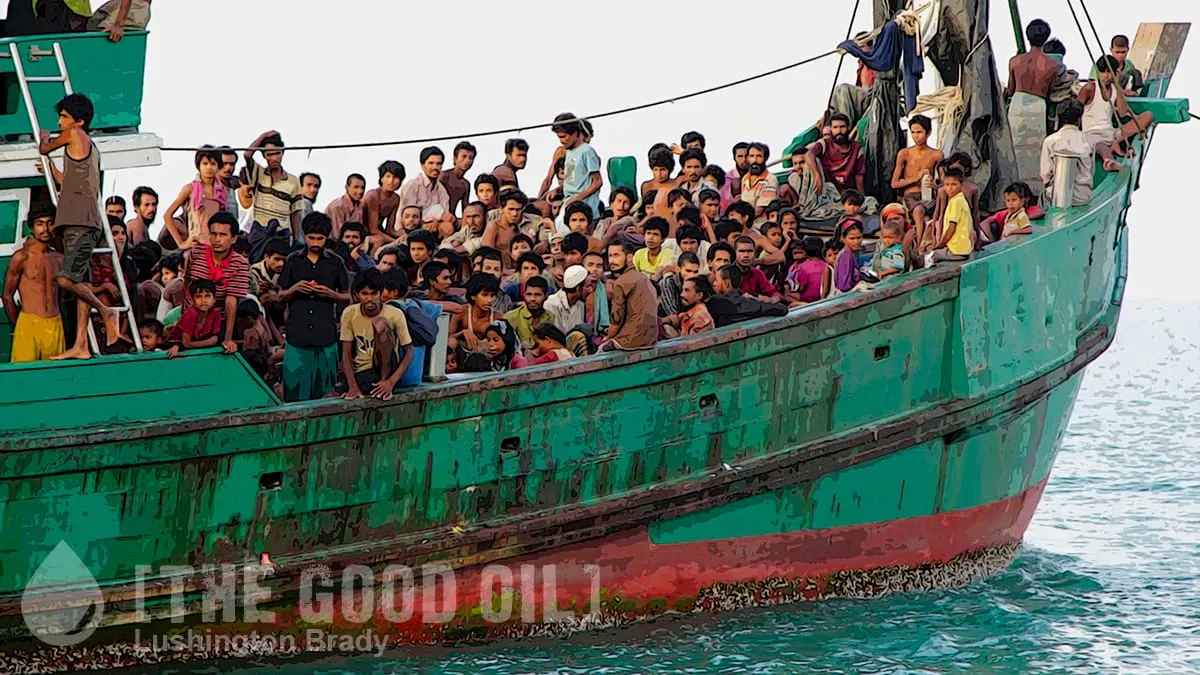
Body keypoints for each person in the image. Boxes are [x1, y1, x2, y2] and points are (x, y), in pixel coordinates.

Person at [37, 93, 121, 357]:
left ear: (79, 121)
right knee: (80, 280)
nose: (60, 122)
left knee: (65, 280)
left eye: (64, 117)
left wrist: (42, 136)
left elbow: (43, 147)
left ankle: (107, 312)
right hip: (80, 217)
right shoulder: (88, 145)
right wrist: (51, 171)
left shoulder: (74, 135)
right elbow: (72, 182)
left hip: (80, 220)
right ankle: (81, 345)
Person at [278, 213, 350, 402]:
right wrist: (295, 289)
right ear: (304, 236)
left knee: (325, 393)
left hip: (325, 336)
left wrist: (330, 294)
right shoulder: (293, 260)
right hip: (297, 336)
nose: (315, 242)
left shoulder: (336, 262)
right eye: (311, 238)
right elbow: (280, 295)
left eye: (320, 238)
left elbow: (347, 296)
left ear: (327, 237)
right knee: (295, 392)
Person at [1005, 19, 1063, 197]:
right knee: (1035, 151)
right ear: (1045, 38)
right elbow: (1051, 90)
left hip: (1017, 104)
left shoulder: (1015, 61)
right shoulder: (1053, 65)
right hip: (1038, 106)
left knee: (1015, 148)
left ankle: (1013, 190)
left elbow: (1010, 89)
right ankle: (1033, 193)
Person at [340, 269, 414, 401]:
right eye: (364, 294)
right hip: (362, 372)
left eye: (374, 294)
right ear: (357, 295)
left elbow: (409, 352)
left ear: (380, 293)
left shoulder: (395, 314)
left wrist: (390, 382)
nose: (369, 299)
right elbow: (347, 353)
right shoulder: (349, 313)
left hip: (386, 369)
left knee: (381, 324)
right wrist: (352, 386)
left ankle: (382, 381)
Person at [3, 204, 64, 362]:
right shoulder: (21, 257)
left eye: (50, 223)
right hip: (28, 323)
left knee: (54, 378)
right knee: (23, 378)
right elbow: (7, 295)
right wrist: (17, 325)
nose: (45, 229)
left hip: (54, 323)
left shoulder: (59, 259)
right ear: (32, 227)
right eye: (40, 224)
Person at [1080, 55, 1155, 160]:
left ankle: (1115, 143)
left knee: (1148, 116)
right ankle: (1108, 160)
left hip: (1111, 134)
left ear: (1115, 73)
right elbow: (1077, 110)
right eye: (1102, 72)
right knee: (1100, 146)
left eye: (1109, 72)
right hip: (1091, 135)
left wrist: (1117, 85)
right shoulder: (1090, 88)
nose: (1106, 76)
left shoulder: (1114, 89)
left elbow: (1122, 112)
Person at [242, 130, 304, 240]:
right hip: (260, 232)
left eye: (277, 153)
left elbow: (295, 212)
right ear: (264, 156)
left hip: (281, 233)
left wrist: (296, 239)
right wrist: (263, 136)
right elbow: (247, 154)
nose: (274, 158)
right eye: (270, 154)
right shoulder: (258, 173)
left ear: (282, 153)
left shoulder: (293, 181)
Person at [891, 115, 942, 249]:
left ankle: (926, 247)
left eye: (919, 132)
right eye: (913, 132)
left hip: (928, 197)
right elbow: (894, 183)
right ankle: (920, 248)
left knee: (923, 216)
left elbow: (944, 183)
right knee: (919, 212)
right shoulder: (904, 154)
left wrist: (935, 186)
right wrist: (915, 178)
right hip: (910, 198)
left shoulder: (936, 155)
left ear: (928, 132)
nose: (916, 136)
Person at [163, 147, 228, 248]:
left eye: (213, 164)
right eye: (205, 164)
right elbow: (167, 215)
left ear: (218, 167)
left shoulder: (221, 191)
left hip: (216, 247)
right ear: (199, 166)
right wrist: (181, 243)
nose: (209, 168)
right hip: (197, 246)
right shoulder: (190, 189)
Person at [602, 240, 658, 351]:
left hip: (630, 341)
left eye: (616, 255)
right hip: (651, 340)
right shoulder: (643, 277)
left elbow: (616, 320)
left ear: (629, 257)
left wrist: (608, 338)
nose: (612, 260)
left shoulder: (621, 282)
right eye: (610, 256)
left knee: (600, 350)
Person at [1041, 100, 1098, 206]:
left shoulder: (1049, 141)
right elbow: (1091, 170)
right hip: (1083, 198)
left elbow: (1045, 174)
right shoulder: (1089, 140)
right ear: (1079, 120)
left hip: (1056, 198)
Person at [553, 113, 603, 222]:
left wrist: (577, 199)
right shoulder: (568, 152)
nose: (561, 141)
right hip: (569, 203)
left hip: (584, 209)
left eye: (563, 137)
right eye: (559, 137)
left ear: (575, 133)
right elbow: (573, 180)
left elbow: (597, 182)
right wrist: (556, 191)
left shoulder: (587, 151)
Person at [400, 146, 457, 238]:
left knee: (448, 226)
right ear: (423, 165)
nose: (435, 167)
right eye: (431, 163)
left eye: (438, 164)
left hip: (434, 225)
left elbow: (445, 214)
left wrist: (438, 219)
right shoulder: (412, 185)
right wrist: (437, 217)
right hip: (409, 228)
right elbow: (410, 216)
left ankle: (444, 249)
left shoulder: (441, 189)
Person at [449, 272, 501, 367]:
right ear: (473, 296)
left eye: (492, 295)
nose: (489, 300)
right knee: (452, 342)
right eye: (485, 295)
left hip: (488, 364)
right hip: (462, 360)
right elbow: (447, 338)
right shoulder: (462, 312)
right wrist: (462, 333)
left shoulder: (498, 318)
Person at [926, 168, 973, 266]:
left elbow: (952, 228)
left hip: (955, 250)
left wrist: (940, 245)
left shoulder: (956, 202)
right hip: (964, 249)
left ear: (961, 185)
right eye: (947, 185)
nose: (950, 188)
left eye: (954, 184)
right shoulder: (960, 199)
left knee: (929, 256)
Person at [166, 279, 222, 359]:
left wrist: (209, 342)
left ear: (214, 299)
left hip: (194, 349)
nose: (203, 300)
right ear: (192, 300)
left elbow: (215, 339)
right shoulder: (191, 314)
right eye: (198, 296)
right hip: (175, 346)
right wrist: (209, 342)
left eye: (207, 296)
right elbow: (186, 343)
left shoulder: (215, 313)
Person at [364, 161, 405, 251]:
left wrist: (405, 234)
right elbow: (373, 229)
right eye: (388, 176)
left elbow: (390, 229)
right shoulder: (373, 196)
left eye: (396, 177)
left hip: (379, 231)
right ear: (381, 178)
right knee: (381, 240)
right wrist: (395, 241)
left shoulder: (395, 198)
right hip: (364, 233)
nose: (391, 181)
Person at [503, 275, 550, 350]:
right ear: (524, 295)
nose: (532, 299)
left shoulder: (551, 317)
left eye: (537, 295)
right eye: (529, 294)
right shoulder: (510, 317)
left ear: (546, 296)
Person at [543, 264, 589, 335]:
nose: (590, 290)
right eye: (587, 286)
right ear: (578, 288)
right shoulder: (551, 304)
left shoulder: (581, 305)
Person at [785, 236, 831, 305]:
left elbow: (801, 288)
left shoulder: (803, 266)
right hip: (822, 297)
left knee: (785, 295)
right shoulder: (827, 265)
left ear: (805, 250)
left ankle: (802, 304)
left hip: (808, 297)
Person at [733, 236, 780, 304]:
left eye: (750, 251)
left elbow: (775, 294)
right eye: (742, 251)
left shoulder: (757, 273)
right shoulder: (727, 273)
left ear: (755, 254)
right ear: (734, 253)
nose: (746, 255)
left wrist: (770, 300)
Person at [739, 142, 779, 222]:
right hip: (747, 222)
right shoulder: (745, 178)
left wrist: (741, 221)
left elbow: (759, 210)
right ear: (747, 158)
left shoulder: (770, 179)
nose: (755, 160)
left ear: (765, 158)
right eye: (752, 156)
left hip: (762, 224)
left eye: (759, 156)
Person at [440, 141, 476, 217]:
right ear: (455, 158)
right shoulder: (444, 176)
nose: (467, 161)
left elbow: (465, 210)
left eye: (471, 158)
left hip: (452, 219)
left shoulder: (466, 185)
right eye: (464, 156)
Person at [86, 0, 152, 42]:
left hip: (134, 6)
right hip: (115, 4)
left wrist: (118, 25)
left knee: (105, 37)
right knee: (87, 30)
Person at [325, 173, 367, 238]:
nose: (360, 191)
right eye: (356, 187)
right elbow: (337, 235)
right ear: (346, 187)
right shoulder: (337, 206)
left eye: (362, 187)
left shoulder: (359, 205)